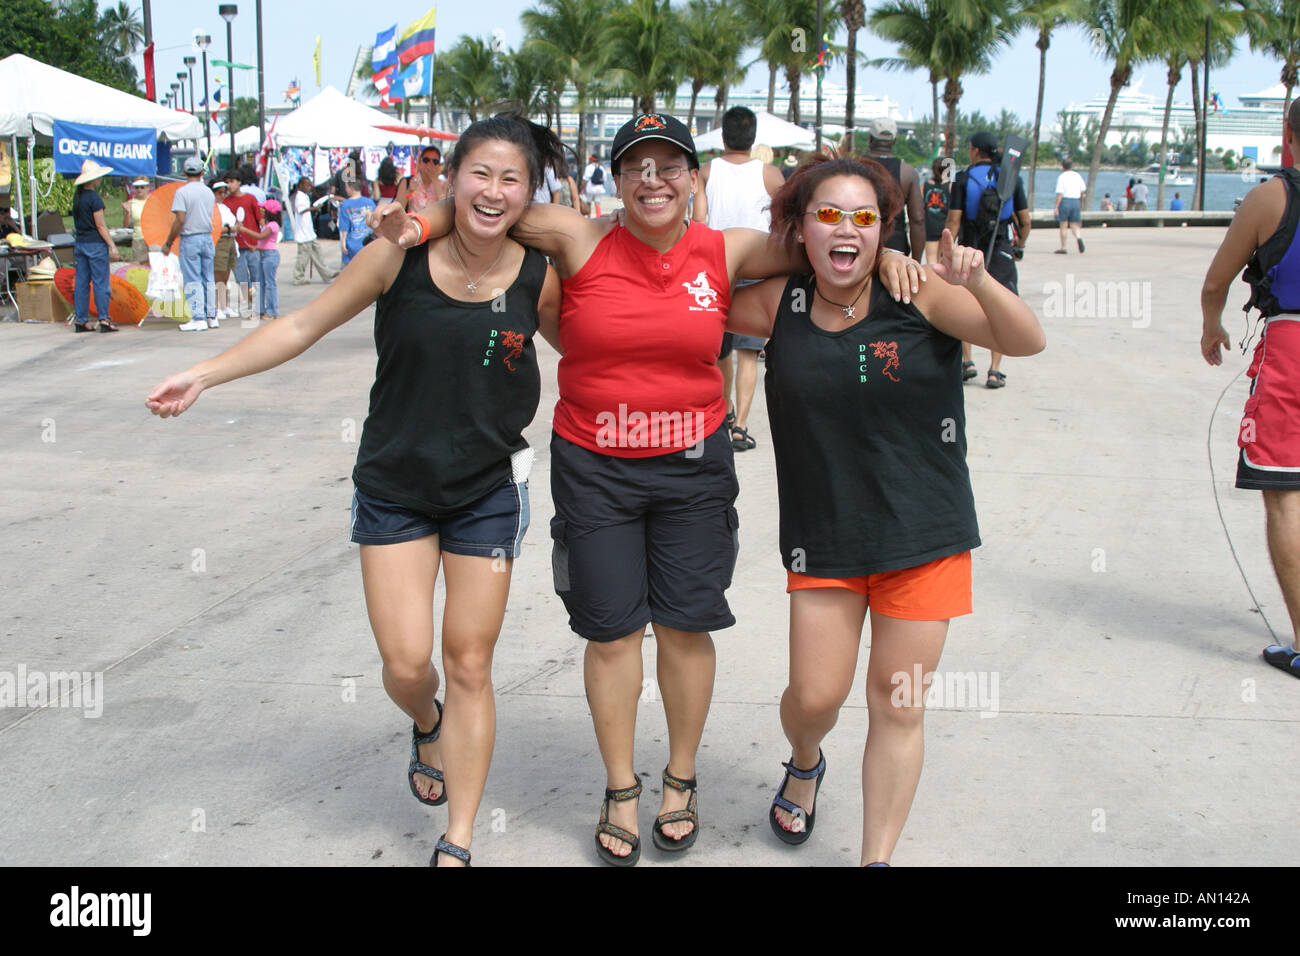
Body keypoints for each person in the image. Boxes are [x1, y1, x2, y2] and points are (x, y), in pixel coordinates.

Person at [371, 111, 922, 866]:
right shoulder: (578, 235)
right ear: (618, 180)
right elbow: (484, 205)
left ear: (695, 179)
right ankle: (622, 787)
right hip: (595, 464)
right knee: (611, 632)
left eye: (669, 166)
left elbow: (827, 246)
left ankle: (681, 779)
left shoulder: (727, 251)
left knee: (688, 628)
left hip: (693, 466)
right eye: (637, 166)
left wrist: (888, 253)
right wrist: (412, 221)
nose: (653, 179)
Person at [146, 113, 566, 866]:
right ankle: (427, 723)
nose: (493, 192)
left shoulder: (541, 276)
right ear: (449, 178)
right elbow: (302, 325)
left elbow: (600, 349)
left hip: (489, 490)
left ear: (531, 193)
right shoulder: (395, 255)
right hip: (395, 488)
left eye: (512, 178)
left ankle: (460, 836)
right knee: (409, 665)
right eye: (480, 174)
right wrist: (203, 373)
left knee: (470, 661)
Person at [728, 154, 1044, 866]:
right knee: (813, 699)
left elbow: (1025, 340)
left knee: (898, 704)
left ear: (886, 228)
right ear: (800, 229)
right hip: (825, 539)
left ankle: (877, 858)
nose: (848, 231)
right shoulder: (784, 305)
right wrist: (781, 251)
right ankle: (804, 762)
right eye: (828, 216)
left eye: (865, 218)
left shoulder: (920, 292)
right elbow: (693, 292)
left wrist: (977, 279)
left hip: (923, 536)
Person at [1201, 97, 1300, 681]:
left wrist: (1212, 325)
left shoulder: (1273, 196)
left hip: (1292, 348)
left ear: (1288, 132)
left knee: (1287, 495)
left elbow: (1218, 279)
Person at [692, 106, 785, 454]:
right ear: (754, 136)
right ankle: (741, 426)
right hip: (757, 270)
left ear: (722, 136)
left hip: (716, 266)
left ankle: (725, 409)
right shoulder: (771, 174)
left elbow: (699, 220)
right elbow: (786, 219)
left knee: (719, 350)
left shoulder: (705, 171)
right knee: (748, 351)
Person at [945, 131, 1031, 388]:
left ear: (973, 150)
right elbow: (1025, 221)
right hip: (1001, 250)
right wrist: (1019, 244)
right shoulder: (1011, 178)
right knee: (1000, 308)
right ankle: (994, 371)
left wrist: (946, 252)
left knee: (963, 305)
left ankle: (967, 363)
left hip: (970, 250)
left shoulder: (963, 178)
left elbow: (954, 221)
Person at [164, 157, 218, 332]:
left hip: (190, 238)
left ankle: (198, 317)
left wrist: (169, 241)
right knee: (208, 277)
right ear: (202, 172)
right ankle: (211, 316)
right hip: (207, 237)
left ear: (184, 172)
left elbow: (180, 219)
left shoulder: (182, 193)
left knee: (193, 278)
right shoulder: (208, 192)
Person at [70, 159, 120, 333]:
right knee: (100, 283)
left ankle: (81, 319)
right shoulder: (94, 199)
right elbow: (100, 225)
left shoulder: (77, 198)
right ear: (93, 180)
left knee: (82, 283)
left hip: (81, 243)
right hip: (95, 244)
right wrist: (112, 245)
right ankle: (104, 318)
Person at [863, 117, 924, 261]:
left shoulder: (853, 167)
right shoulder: (907, 172)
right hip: (895, 243)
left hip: (861, 237)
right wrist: (916, 261)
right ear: (894, 140)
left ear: (870, 139)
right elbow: (917, 220)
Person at [224, 170, 264, 320]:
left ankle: (259, 307)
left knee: (257, 276)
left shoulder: (250, 199)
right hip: (235, 247)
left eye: (232, 181)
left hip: (253, 245)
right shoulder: (225, 202)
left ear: (239, 182)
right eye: (227, 182)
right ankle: (248, 306)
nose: (229, 185)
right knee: (241, 278)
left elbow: (260, 220)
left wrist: (261, 241)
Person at [290, 176, 337, 285]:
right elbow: (301, 210)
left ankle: (326, 273)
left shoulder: (305, 196)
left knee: (318, 253)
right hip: (303, 233)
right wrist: (314, 209)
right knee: (303, 256)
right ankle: (298, 277)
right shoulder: (299, 197)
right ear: (301, 185)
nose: (309, 187)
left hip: (309, 232)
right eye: (307, 185)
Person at [210, 180, 239, 321]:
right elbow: (213, 228)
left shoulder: (225, 207)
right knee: (218, 275)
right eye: (219, 192)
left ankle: (224, 305)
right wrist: (228, 229)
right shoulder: (210, 208)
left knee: (226, 275)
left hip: (230, 241)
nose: (222, 195)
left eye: (224, 192)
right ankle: (215, 307)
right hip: (220, 241)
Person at [396, 145, 448, 213]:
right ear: (420, 162)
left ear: (438, 165)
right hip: (413, 222)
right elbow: (399, 208)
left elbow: (445, 209)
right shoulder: (407, 182)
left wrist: (435, 180)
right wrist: (409, 192)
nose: (430, 164)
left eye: (435, 161)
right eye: (426, 160)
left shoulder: (444, 184)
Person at [337, 179, 375, 266]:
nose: (345, 189)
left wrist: (343, 242)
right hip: (368, 243)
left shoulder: (345, 205)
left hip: (352, 244)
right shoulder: (370, 202)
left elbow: (344, 226)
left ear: (351, 188)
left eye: (346, 187)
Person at [255, 199, 282, 322]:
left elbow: (261, 237)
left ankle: (272, 310)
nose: (261, 211)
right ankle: (261, 309)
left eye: (263, 209)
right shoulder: (267, 224)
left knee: (270, 284)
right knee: (261, 283)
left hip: (270, 255)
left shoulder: (272, 225)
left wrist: (244, 230)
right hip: (263, 254)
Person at [1053, 157, 1086, 254]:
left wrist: (1056, 207)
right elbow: (1082, 191)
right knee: (1074, 224)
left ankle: (1063, 247)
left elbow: (1060, 194)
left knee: (1063, 225)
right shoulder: (1077, 176)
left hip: (1065, 201)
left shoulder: (1062, 177)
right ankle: (1079, 237)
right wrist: (1081, 203)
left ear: (1062, 166)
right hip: (1075, 200)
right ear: (1072, 166)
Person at [922, 157, 950, 265]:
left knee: (931, 259)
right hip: (945, 226)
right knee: (942, 260)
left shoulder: (924, 186)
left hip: (930, 226)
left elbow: (919, 208)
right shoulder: (950, 186)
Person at [123, 178, 151, 264]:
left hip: (153, 237)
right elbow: (125, 225)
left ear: (147, 188)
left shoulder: (153, 200)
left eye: (142, 187)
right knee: (143, 265)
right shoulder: (130, 203)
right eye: (137, 187)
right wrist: (127, 213)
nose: (139, 189)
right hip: (139, 237)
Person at [580, 153, 606, 218]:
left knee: (588, 202)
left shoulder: (588, 167)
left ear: (592, 160)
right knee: (597, 203)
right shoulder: (601, 168)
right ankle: (598, 217)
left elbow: (585, 179)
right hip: (599, 188)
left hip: (590, 188)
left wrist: (582, 188)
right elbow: (604, 179)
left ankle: (589, 217)